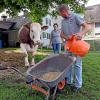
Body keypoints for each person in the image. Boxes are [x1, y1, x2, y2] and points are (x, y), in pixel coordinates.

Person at [58, 4, 91, 91]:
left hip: (77, 46)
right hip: (68, 46)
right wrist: (66, 37)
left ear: (64, 11)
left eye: (61, 14)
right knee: (68, 64)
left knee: (77, 65)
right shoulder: (63, 21)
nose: (61, 15)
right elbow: (61, 34)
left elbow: (88, 27)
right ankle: (69, 82)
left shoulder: (76, 16)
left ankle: (78, 85)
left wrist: (81, 33)